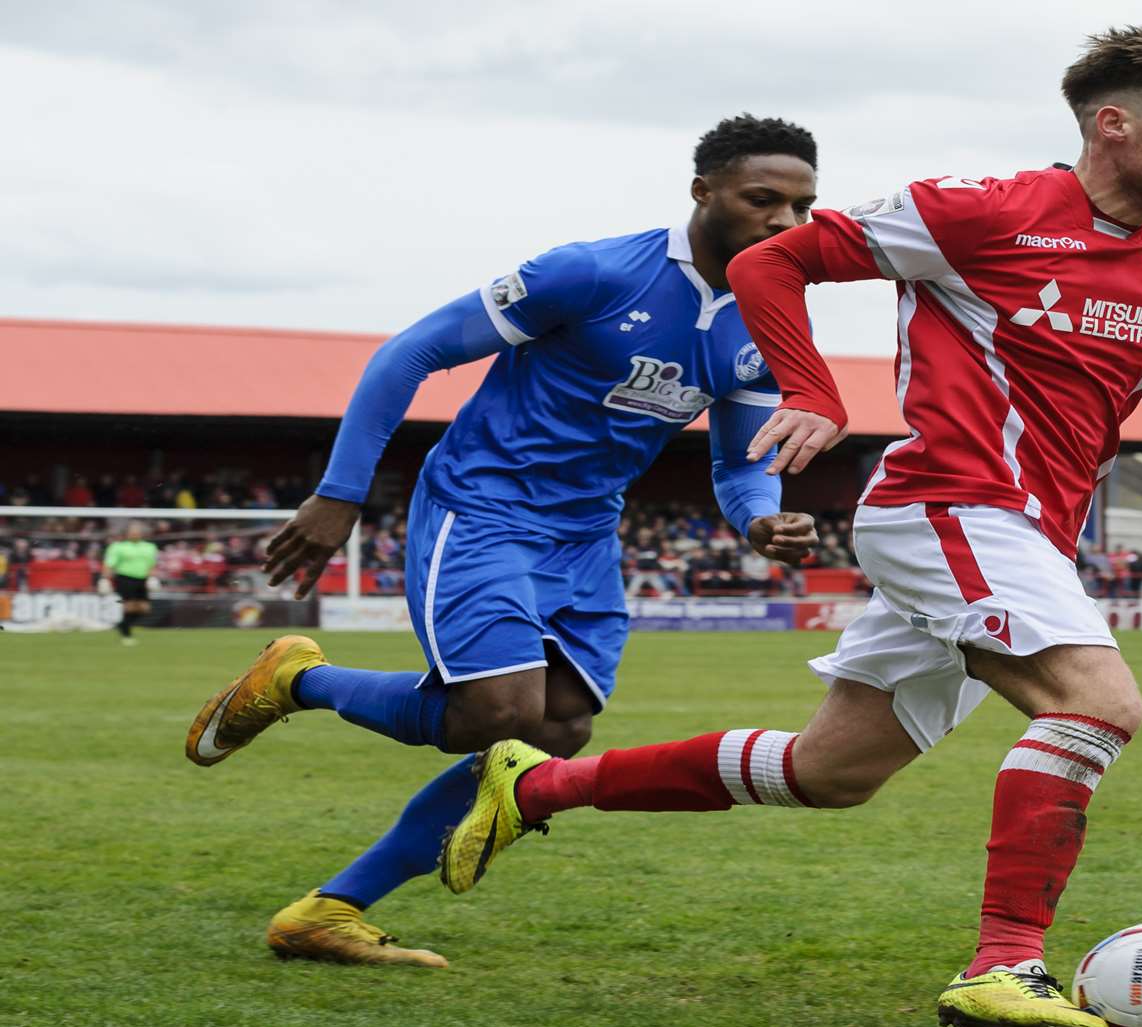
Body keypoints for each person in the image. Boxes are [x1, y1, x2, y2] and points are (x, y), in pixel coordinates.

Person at [435, 26, 1142, 1027]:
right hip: (954, 506)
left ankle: (536, 785)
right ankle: (1003, 963)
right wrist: (807, 386)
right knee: (1096, 706)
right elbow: (778, 261)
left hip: (1027, 537)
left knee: (831, 770)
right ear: (1116, 124)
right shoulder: (982, 210)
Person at [181, 115, 823, 967]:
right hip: (481, 507)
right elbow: (409, 353)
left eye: (803, 206)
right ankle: (299, 680)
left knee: (556, 733)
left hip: (585, 533)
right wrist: (340, 495)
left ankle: (328, 912)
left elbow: (742, 462)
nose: (786, 222)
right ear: (704, 191)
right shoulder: (591, 272)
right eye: (763, 199)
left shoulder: (767, 316)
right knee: (496, 715)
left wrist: (758, 518)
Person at [100, 521, 158, 645]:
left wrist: (153, 578)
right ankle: (126, 635)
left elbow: (152, 564)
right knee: (130, 606)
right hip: (125, 578)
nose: (135, 534)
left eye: (137, 532)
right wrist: (105, 579)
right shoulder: (118, 547)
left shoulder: (149, 547)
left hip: (142, 580)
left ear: (141, 534)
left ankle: (122, 625)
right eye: (132, 532)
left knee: (144, 608)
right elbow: (109, 564)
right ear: (127, 534)